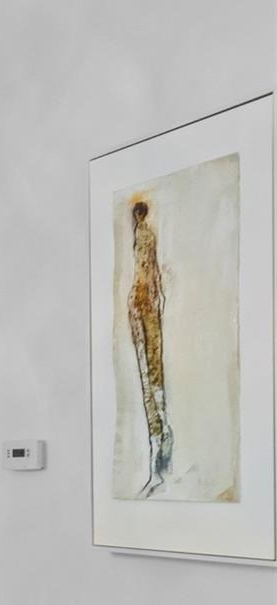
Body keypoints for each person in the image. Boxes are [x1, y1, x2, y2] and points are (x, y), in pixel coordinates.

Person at [127, 198, 172, 497]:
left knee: (152, 380)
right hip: (140, 305)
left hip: (144, 306)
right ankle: (160, 447)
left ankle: (160, 449)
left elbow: (150, 271)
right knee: (150, 381)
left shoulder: (145, 236)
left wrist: (151, 296)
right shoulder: (143, 237)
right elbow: (150, 272)